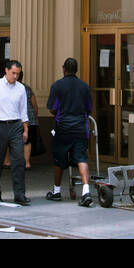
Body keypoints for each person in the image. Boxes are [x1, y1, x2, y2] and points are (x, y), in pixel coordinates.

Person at [0, 59, 30, 205]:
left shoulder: (21, 88)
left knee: (19, 161)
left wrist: (25, 129)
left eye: (18, 74)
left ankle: (19, 194)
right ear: (6, 71)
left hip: (15, 125)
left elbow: (23, 111)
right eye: (13, 73)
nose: (15, 76)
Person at [46, 57, 94, 206]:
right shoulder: (84, 86)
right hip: (80, 127)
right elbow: (89, 108)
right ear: (76, 70)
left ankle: (57, 191)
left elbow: (52, 108)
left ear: (64, 69)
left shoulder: (57, 86)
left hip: (63, 127)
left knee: (59, 159)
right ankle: (86, 191)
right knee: (81, 158)